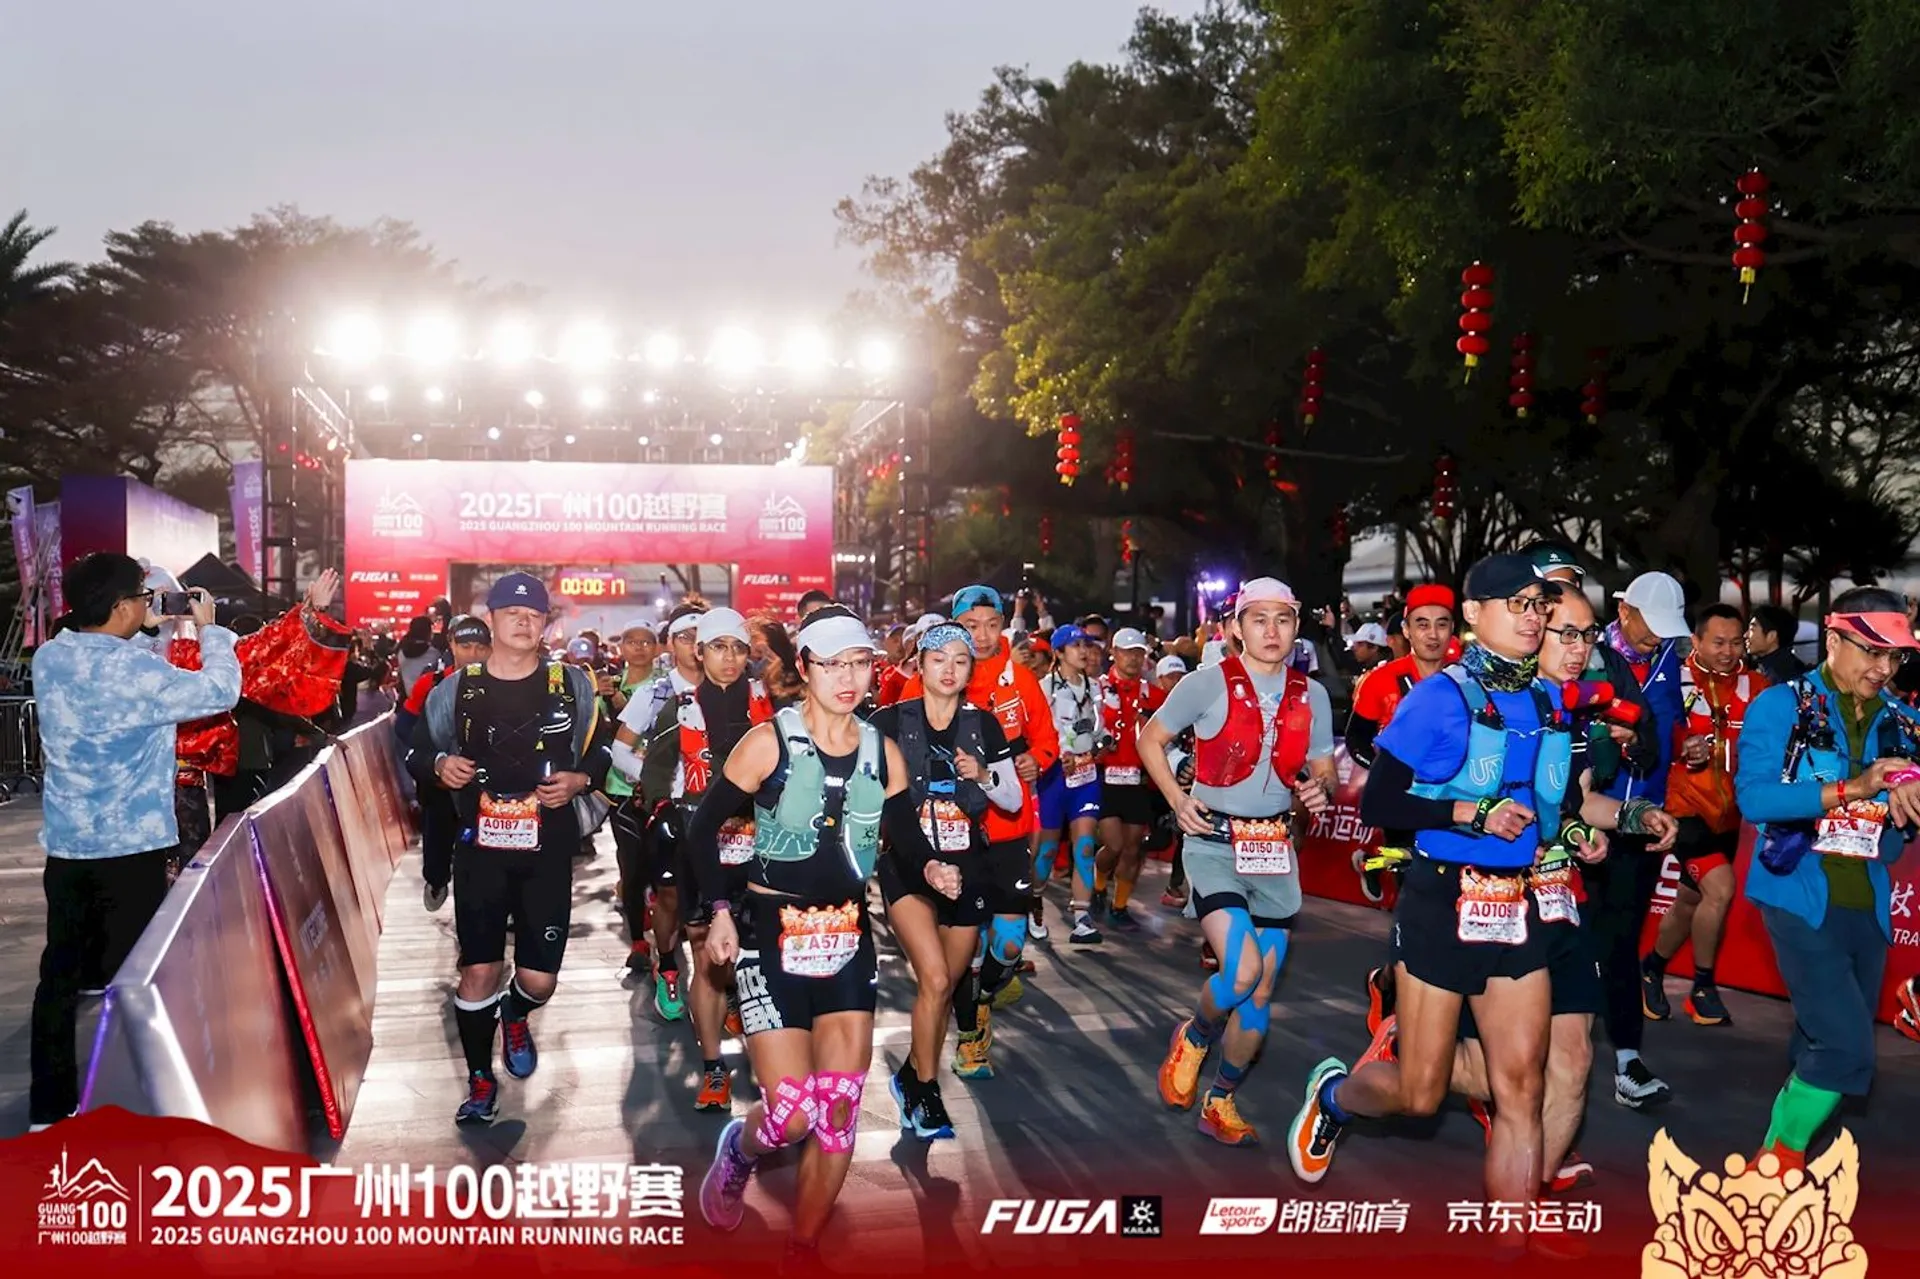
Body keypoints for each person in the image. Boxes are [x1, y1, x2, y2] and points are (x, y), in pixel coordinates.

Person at [1287, 554, 1582, 1213]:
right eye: (1517, 603)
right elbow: (1379, 802)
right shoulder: (1438, 697)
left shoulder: (1547, 699)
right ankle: (1334, 1097)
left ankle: (1508, 1244)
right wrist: (1470, 813)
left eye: (1539, 604)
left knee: (1521, 1089)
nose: (1533, 617)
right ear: (1475, 614)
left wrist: (1574, 831)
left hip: (1518, 903)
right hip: (1443, 899)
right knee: (1419, 1095)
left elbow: (1552, 800)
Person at [694, 606, 952, 1268]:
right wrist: (719, 909)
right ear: (805, 668)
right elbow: (701, 829)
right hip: (769, 935)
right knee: (791, 1116)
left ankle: (802, 1248)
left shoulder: (881, 750)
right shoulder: (767, 743)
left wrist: (930, 864)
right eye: (833, 664)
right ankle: (740, 1153)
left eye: (860, 663)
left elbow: (905, 833)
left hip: (845, 936)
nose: (848, 677)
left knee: (837, 1113)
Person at [1451, 586, 1677, 1197]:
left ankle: (1517, 1213)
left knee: (1573, 1063)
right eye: (1566, 634)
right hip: (1485, 902)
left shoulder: (1579, 712)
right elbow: (1433, 801)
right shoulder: (1479, 703)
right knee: (1488, 1078)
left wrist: (1633, 816)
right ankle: (1405, 1047)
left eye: (1588, 635)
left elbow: (1578, 802)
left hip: (1556, 899)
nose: (1581, 649)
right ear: (1531, 631)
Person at [29, 555, 242, 1131]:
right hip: (132, 850)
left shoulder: (50, 659)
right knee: (134, 983)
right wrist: (210, 631)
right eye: (143, 599)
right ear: (122, 606)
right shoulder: (138, 672)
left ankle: (48, 1110)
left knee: (60, 978)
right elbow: (221, 690)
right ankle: (130, 1107)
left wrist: (149, 630)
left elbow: (120, 675)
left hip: (69, 848)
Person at [1143, 577, 1337, 1147]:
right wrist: (1177, 800)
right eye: (1259, 619)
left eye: (1283, 619)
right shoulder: (1206, 683)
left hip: (1274, 850)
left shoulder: (1313, 695)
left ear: (1296, 627)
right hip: (1214, 845)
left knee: (1260, 993)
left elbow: (1324, 768)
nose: (1272, 630)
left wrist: (1320, 789)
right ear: (1236, 628)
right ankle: (1196, 1036)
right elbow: (1150, 738)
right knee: (1243, 971)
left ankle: (1221, 1099)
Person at [410, 573, 607, 1125]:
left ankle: (515, 1014)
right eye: (512, 613)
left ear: (545, 624)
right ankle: (480, 1081)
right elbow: (414, 751)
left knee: (539, 980)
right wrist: (439, 765)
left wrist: (581, 780)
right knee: (479, 972)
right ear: (490, 618)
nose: (524, 622)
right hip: (480, 852)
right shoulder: (456, 688)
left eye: (534, 615)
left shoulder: (572, 683)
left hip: (548, 852)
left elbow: (605, 750)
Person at [1737, 589, 1920, 1172]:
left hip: (1868, 901)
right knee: (1845, 1045)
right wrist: (1855, 788)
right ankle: (1777, 1163)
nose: (1884, 668)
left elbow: (1902, 813)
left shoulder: (1904, 721)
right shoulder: (1780, 706)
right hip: (1797, 892)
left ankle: (1778, 1149)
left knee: (1818, 1041)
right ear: (1834, 641)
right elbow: (1755, 799)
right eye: (1872, 652)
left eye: (1895, 656)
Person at [871, 623, 1024, 1132]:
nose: (949, 669)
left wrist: (983, 775)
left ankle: (912, 1080)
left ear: (970, 669)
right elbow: (867, 794)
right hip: (908, 865)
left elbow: (1012, 799)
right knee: (934, 978)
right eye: (938, 659)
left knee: (943, 988)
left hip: (968, 868)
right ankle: (929, 1092)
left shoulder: (984, 725)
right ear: (919, 664)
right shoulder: (888, 722)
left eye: (960, 660)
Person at [901, 584, 1058, 1077]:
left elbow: (1046, 740)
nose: (984, 635)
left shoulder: (1021, 679)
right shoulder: (919, 687)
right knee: (958, 953)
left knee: (1008, 944)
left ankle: (985, 996)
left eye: (993, 625)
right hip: (949, 838)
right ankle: (970, 1038)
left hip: (1007, 829)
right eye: (972, 626)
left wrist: (1035, 760)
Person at [638, 607, 774, 1107]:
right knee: (706, 956)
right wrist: (662, 810)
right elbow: (653, 770)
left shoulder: (770, 707)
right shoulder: (679, 708)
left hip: (762, 843)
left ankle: (768, 1063)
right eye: (718, 647)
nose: (729, 658)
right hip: (702, 845)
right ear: (700, 652)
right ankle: (715, 1069)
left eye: (738, 648)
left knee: (761, 957)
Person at [1589, 571, 1690, 1110]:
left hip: (1640, 826)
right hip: (1582, 821)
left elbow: (1669, 728)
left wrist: (1684, 745)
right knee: (1570, 939)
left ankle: (1628, 1060)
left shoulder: (1671, 660)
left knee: (1622, 941)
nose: (1657, 637)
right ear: (1624, 611)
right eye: (1651, 625)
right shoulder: (1586, 655)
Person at [1642, 603, 1765, 1027]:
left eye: (1736, 642)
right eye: (1718, 642)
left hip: (1730, 815)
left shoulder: (1758, 688)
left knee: (1690, 900)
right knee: (1721, 889)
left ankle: (1651, 969)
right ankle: (1702, 987)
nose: (1728, 651)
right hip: (1683, 809)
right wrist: (1678, 747)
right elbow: (1649, 739)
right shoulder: (1672, 683)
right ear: (1695, 641)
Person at [609, 606, 705, 995]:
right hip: (671, 811)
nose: (695, 645)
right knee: (669, 896)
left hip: (722, 814)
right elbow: (620, 751)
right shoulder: (656, 692)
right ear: (670, 645)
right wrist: (658, 783)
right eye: (685, 637)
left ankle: (721, 986)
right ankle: (667, 966)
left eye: (702, 636)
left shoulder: (735, 690)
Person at [398, 615, 493, 911]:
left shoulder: (507, 685)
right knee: (438, 839)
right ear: (451, 644)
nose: (473, 654)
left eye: (480, 647)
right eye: (466, 646)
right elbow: (405, 728)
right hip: (441, 785)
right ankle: (437, 879)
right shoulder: (432, 684)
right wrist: (436, 761)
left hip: (488, 791)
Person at [1037, 624, 1109, 942]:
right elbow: (1036, 731)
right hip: (1053, 777)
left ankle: (1082, 917)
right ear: (1059, 652)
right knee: (1047, 850)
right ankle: (1034, 901)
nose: (1083, 651)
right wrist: (1055, 754)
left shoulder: (1095, 687)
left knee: (1085, 845)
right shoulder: (1044, 688)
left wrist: (1102, 741)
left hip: (1086, 775)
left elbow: (1098, 729)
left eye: (1085, 645)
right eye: (1075, 645)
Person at [1094, 627, 1167, 929]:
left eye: (1139, 652)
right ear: (1113, 653)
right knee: (1113, 845)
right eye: (1127, 652)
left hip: (1138, 781)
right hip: (1104, 778)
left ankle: (1119, 906)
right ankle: (1099, 885)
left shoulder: (1154, 695)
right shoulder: (1097, 690)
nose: (1134, 658)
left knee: (1133, 847)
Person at [1748, 604, 1809, 686]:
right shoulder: (1769, 668)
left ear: (1771, 636)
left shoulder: (1781, 676)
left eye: (1752, 630)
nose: (1745, 635)